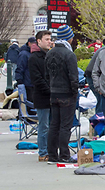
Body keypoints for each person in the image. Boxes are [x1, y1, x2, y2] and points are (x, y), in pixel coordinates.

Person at [44, 24, 78, 164]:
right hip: (67, 94)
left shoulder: (49, 53)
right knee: (65, 126)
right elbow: (73, 77)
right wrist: (75, 92)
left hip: (53, 93)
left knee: (54, 125)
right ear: (68, 38)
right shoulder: (69, 54)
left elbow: (46, 75)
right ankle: (64, 154)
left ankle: (52, 155)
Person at [28, 30, 53, 162]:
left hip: (53, 96)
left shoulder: (50, 55)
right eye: (47, 39)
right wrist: (50, 90)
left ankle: (51, 150)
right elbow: (37, 79)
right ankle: (43, 152)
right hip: (42, 97)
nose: (50, 41)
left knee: (52, 125)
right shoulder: (34, 58)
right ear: (39, 41)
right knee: (44, 126)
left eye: (50, 39)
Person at [84, 45, 105, 114]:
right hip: (93, 76)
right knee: (102, 99)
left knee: (101, 99)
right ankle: (99, 120)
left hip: (90, 75)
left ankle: (99, 119)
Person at [15, 37, 37, 102]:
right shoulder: (24, 54)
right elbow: (20, 68)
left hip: (31, 82)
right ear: (29, 43)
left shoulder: (32, 53)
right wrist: (19, 80)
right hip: (27, 82)